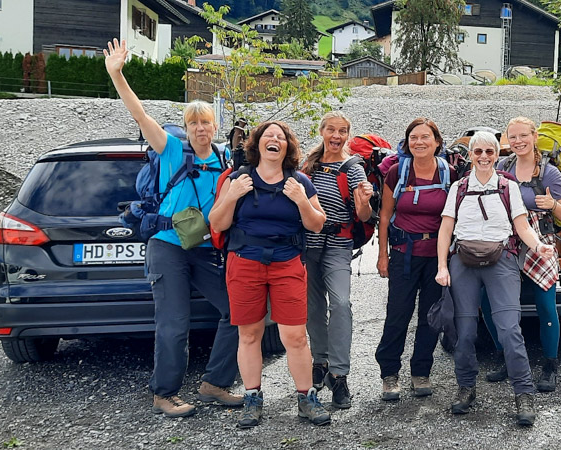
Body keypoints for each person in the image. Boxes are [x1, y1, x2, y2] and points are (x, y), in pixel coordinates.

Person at [104, 39, 241, 417]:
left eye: (205, 122)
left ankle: (215, 383)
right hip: (166, 245)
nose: (200, 127)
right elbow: (139, 115)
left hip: (201, 246)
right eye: (193, 122)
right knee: (175, 324)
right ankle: (164, 393)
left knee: (238, 312)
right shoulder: (169, 149)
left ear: (215, 126)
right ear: (186, 128)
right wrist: (117, 74)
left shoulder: (224, 159)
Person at [208, 121, 331, 428]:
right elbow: (217, 223)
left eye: (281, 137)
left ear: (287, 146)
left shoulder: (300, 180)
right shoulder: (238, 178)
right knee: (249, 335)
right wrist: (233, 195)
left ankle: (306, 398)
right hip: (245, 261)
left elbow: (317, 224)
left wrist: (301, 199)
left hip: (287, 262)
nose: (274, 139)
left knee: (295, 336)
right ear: (258, 143)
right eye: (268, 136)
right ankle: (252, 397)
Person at [435, 131, 556, 427]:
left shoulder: (507, 187)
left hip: (501, 260)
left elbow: (521, 225)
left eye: (490, 151)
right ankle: (466, 387)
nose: (484, 157)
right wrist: (442, 266)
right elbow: (445, 229)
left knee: (509, 330)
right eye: (478, 152)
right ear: (471, 155)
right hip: (463, 261)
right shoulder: (459, 188)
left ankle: (523, 393)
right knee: (464, 332)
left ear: (495, 154)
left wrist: (538, 245)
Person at [482, 117, 561, 392]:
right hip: (505, 242)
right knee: (490, 302)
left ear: (534, 137)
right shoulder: (501, 166)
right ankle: (505, 356)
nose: (518, 141)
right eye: (513, 137)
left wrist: (553, 204)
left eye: (523, 135)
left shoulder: (550, 173)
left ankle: (549, 366)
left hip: (539, 242)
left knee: (546, 305)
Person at [374, 118, 456, 401]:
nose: (419, 142)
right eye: (413, 137)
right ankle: (389, 373)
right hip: (403, 255)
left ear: (437, 142)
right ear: (407, 142)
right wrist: (382, 255)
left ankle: (421, 371)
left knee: (431, 317)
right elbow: (385, 216)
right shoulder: (397, 173)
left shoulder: (449, 174)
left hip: (437, 258)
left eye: (425, 137)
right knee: (398, 315)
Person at [301, 111, 374, 409]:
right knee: (312, 306)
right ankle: (319, 362)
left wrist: (365, 201)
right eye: (331, 129)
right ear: (321, 131)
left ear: (347, 134)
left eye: (342, 131)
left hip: (339, 244)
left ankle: (340, 374)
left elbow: (364, 216)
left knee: (341, 303)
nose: (336, 135)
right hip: (307, 244)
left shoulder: (354, 168)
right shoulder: (308, 165)